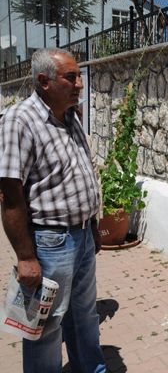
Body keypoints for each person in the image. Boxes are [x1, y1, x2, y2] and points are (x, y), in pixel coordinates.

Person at [0, 48, 105, 372]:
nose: (79, 84)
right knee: (46, 326)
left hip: (83, 235)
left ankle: (92, 368)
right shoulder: (21, 120)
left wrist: (93, 227)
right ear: (43, 81)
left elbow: (81, 173)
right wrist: (26, 257)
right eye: (70, 77)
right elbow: (9, 194)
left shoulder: (70, 115)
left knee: (85, 314)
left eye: (79, 76)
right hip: (50, 244)